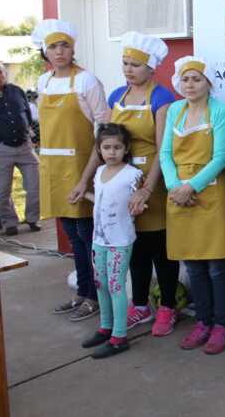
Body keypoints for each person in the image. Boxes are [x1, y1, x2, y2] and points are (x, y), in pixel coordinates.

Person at [32, 19, 110, 322]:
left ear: (73, 48)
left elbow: (104, 127)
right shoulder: (44, 82)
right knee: (71, 236)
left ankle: (95, 296)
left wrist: (94, 169)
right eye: (53, 46)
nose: (59, 51)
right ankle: (82, 290)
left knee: (87, 234)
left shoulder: (87, 81)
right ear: (45, 51)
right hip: (53, 168)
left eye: (64, 45)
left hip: (80, 166)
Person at [160, 56, 225, 354]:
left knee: (217, 266)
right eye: (185, 79)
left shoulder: (221, 111)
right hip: (178, 193)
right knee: (192, 265)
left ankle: (222, 325)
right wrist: (174, 187)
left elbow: (221, 157)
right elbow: (165, 154)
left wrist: (190, 187)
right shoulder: (174, 110)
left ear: (209, 83)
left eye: (196, 79)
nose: (190, 84)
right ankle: (202, 321)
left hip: (210, 192)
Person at [108, 31, 179, 336]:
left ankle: (167, 307)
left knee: (160, 249)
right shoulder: (116, 96)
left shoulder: (162, 99)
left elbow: (164, 150)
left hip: (153, 179)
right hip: (122, 181)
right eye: (125, 63)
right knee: (133, 247)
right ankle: (140, 305)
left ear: (151, 68)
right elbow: (105, 141)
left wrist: (148, 188)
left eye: (135, 65)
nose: (128, 69)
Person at [80, 123, 143, 359]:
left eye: (117, 147)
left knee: (116, 287)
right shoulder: (98, 172)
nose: (112, 152)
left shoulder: (132, 174)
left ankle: (119, 336)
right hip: (99, 240)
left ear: (126, 149)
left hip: (120, 241)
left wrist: (139, 206)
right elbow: (102, 200)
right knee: (101, 284)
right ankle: (105, 328)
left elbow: (138, 200)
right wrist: (84, 194)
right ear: (99, 149)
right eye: (106, 147)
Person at [0, 62, 40, 235]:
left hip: (25, 147)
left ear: (4, 74)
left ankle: (33, 219)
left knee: (35, 185)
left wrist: (29, 135)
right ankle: (9, 222)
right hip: (2, 149)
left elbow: (28, 116)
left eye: (0, 72)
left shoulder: (16, 91)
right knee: (2, 191)